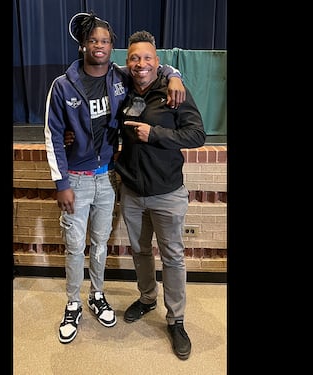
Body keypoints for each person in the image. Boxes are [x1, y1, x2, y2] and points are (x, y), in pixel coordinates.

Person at [44, 12, 186, 344]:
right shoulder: (62, 85)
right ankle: (73, 303)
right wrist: (61, 183)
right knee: (76, 246)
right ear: (82, 45)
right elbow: (52, 136)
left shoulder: (119, 77)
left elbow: (149, 69)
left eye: (105, 41)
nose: (100, 45)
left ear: (112, 46)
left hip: (107, 178)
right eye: (93, 40)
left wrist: (175, 74)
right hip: (76, 181)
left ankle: (96, 294)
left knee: (99, 247)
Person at [116, 30, 206, 360]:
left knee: (172, 257)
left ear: (157, 61)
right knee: (140, 251)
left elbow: (197, 134)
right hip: (132, 191)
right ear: (127, 63)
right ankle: (147, 297)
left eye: (148, 58)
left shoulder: (173, 92)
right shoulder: (122, 87)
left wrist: (155, 133)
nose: (141, 64)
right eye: (135, 58)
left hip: (167, 192)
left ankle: (176, 319)